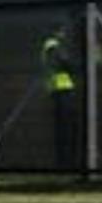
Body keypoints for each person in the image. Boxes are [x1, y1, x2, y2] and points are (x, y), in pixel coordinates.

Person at [40, 23, 77, 172]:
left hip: (61, 89)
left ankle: (66, 161)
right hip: (61, 89)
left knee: (66, 127)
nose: (65, 35)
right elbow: (64, 63)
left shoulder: (53, 46)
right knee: (64, 128)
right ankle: (65, 163)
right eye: (63, 32)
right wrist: (72, 64)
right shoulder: (52, 45)